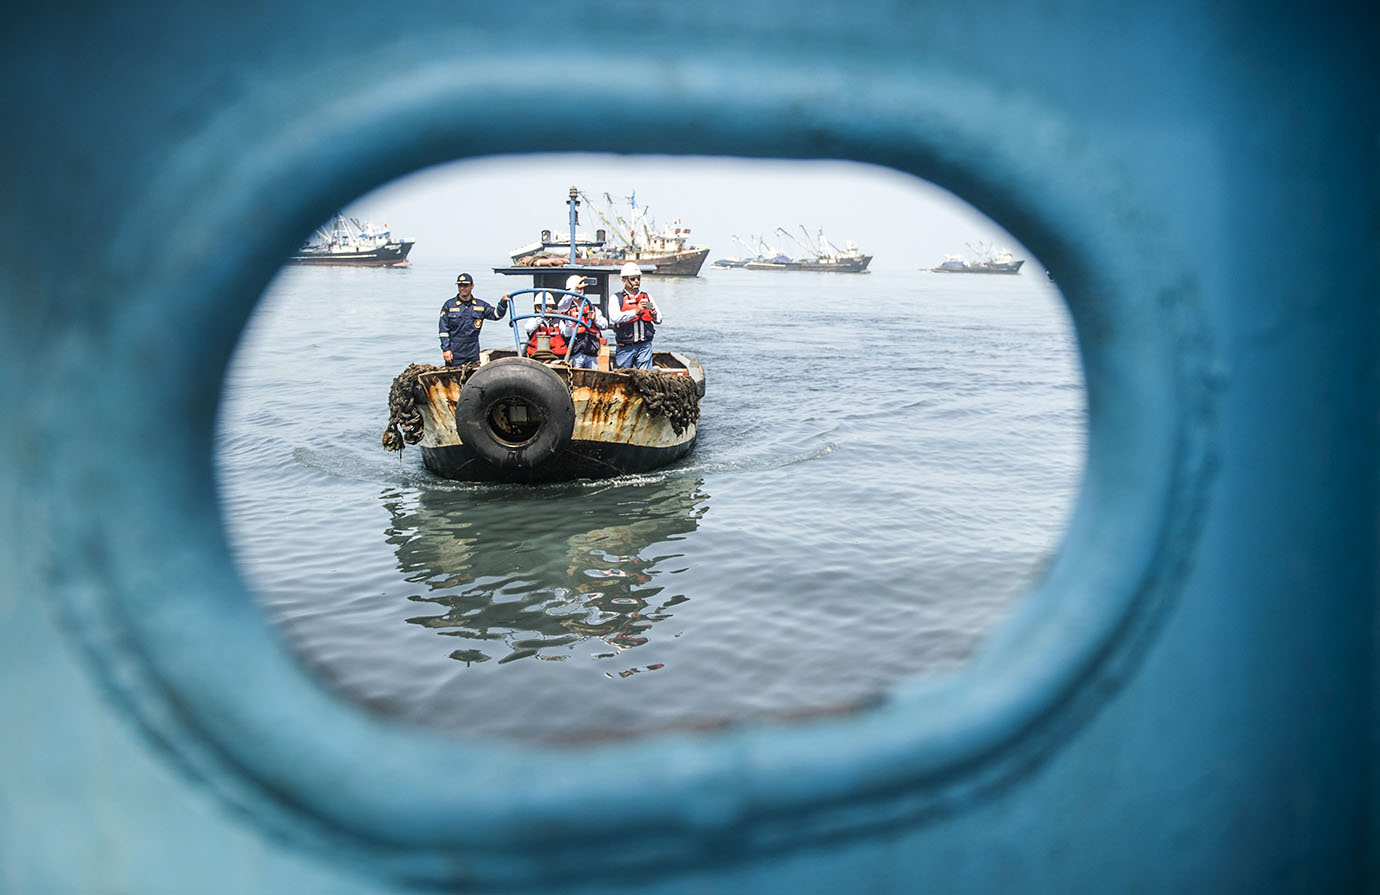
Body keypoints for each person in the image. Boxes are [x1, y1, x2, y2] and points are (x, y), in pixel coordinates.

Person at [438, 273, 508, 366]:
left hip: (473, 350)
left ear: (472, 286)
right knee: (454, 374)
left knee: (474, 374)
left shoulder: (480, 305)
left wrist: (503, 303)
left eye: (466, 285)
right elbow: (443, 331)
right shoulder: (449, 305)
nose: (462, 288)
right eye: (460, 285)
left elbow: (496, 315)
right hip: (455, 351)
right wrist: (446, 349)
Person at [611, 262, 662, 369]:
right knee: (623, 374)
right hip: (625, 347)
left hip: (644, 345)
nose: (636, 281)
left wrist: (654, 316)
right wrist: (635, 311)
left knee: (645, 375)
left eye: (638, 278)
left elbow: (659, 319)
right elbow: (614, 317)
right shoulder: (616, 298)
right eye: (633, 279)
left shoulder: (646, 297)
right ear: (624, 280)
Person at [560, 274, 608, 370]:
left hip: (591, 352)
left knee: (594, 376)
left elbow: (604, 325)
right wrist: (573, 289)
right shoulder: (565, 309)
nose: (579, 291)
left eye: (581, 289)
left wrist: (595, 318)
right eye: (577, 289)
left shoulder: (592, 308)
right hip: (575, 352)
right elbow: (566, 333)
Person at [521, 291, 569, 359]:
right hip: (537, 356)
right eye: (546, 306)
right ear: (537, 308)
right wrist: (542, 316)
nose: (549, 309)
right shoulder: (533, 321)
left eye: (550, 306)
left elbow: (567, 333)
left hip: (557, 356)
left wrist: (568, 319)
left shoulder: (558, 321)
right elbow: (528, 328)